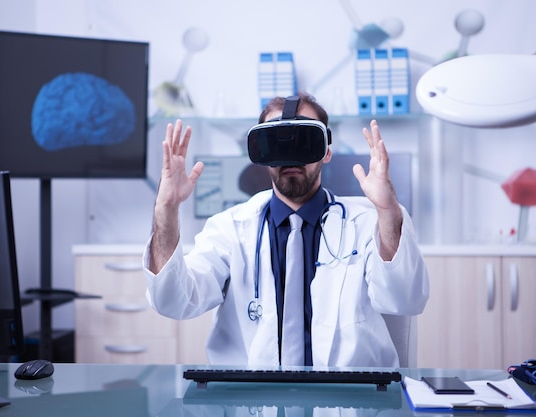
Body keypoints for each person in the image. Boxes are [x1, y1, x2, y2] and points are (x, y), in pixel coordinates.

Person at [143, 92, 429, 367]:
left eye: (304, 142)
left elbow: (405, 298)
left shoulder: (369, 223)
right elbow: (174, 301)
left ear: (326, 151)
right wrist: (165, 208)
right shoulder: (229, 229)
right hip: (252, 399)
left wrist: (388, 211)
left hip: (351, 398)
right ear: (262, 153)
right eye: (278, 144)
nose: (291, 158)